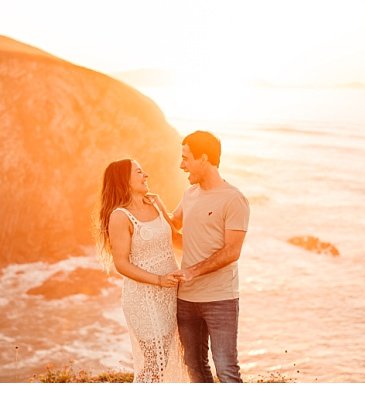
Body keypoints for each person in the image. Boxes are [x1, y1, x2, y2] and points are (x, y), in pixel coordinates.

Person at [158, 131, 250, 383]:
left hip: (220, 299)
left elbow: (233, 251)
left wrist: (191, 271)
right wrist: (150, 205)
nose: (181, 165)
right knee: (195, 367)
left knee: (226, 369)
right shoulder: (190, 195)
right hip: (186, 299)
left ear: (205, 158)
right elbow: (172, 227)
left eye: (186, 158)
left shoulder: (234, 199)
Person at [96, 158, 187, 382]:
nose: (145, 175)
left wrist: (216, 245)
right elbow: (122, 263)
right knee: (154, 363)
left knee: (163, 359)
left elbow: (176, 239)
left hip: (168, 294)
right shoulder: (119, 216)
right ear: (124, 180)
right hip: (143, 298)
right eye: (139, 172)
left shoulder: (154, 204)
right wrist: (158, 279)